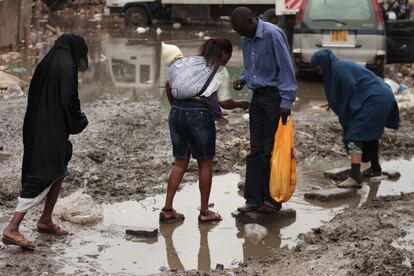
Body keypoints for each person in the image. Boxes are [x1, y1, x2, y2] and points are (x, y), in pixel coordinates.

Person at [2, 34, 89, 250]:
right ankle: (12, 228)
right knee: (41, 174)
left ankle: (45, 220)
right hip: (50, 128)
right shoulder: (66, 65)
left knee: (59, 169)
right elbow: (69, 100)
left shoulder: (47, 62)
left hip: (36, 124)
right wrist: (79, 120)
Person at [161, 38, 249, 223]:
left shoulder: (186, 62)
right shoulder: (218, 70)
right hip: (199, 115)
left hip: (176, 112)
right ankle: (204, 213)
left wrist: (177, 109)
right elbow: (223, 101)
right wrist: (240, 104)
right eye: (228, 56)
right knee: (204, 163)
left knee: (180, 163)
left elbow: (169, 85)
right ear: (223, 53)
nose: (227, 60)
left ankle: (167, 210)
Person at [231, 7, 297, 214]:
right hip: (258, 97)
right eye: (239, 33)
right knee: (255, 149)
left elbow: (286, 68)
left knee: (270, 149)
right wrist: (243, 78)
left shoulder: (273, 34)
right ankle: (253, 199)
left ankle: (272, 200)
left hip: (274, 98)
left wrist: (286, 102)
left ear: (252, 21)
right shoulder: (246, 37)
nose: (243, 35)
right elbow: (250, 66)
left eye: (244, 30)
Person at [310, 49, 400, 188]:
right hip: (381, 96)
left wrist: (345, 112)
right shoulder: (338, 67)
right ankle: (375, 169)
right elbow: (351, 88)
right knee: (369, 133)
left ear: (323, 63)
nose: (319, 72)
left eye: (318, 67)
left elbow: (349, 88)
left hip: (375, 99)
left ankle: (355, 177)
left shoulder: (338, 69)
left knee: (354, 134)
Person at [162, 41, 229, 125]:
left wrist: (174, 107)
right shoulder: (216, 70)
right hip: (197, 112)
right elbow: (210, 98)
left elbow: (168, 85)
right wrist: (218, 116)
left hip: (177, 110)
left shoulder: (180, 67)